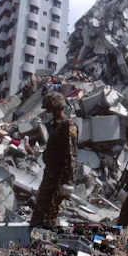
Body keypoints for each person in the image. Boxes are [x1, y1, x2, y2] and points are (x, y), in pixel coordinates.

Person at [30, 92, 78, 226]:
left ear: (57, 108)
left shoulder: (68, 125)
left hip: (58, 178)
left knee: (49, 213)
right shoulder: (54, 126)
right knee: (40, 211)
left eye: (49, 109)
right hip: (49, 175)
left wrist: (68, 181)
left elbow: (71, 153)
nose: (47, 112)